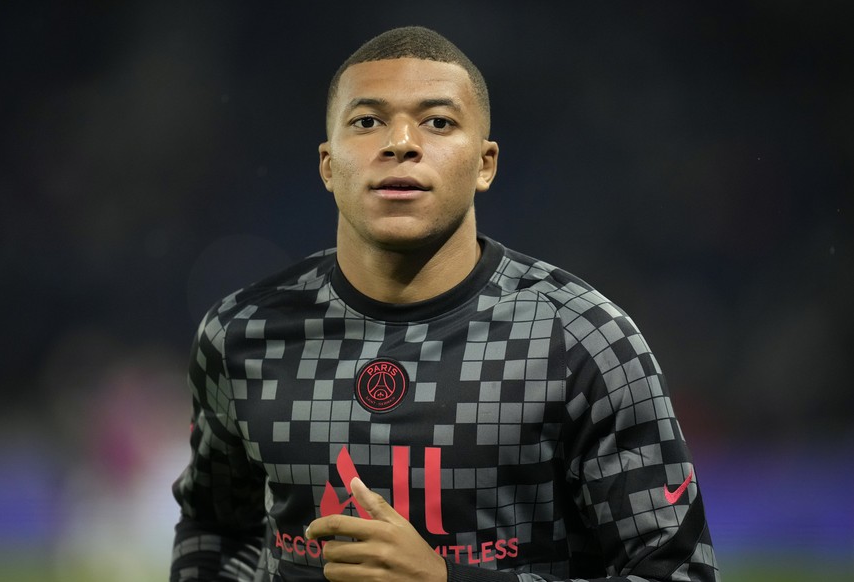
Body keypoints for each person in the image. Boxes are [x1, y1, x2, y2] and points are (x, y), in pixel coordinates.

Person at [170, 26, 720, 582]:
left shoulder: (580, 340)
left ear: (485, 164)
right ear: (328, 165)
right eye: (367, 121)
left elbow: (676, 573)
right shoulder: (241, 334)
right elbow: (215, 530)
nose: (401, 142)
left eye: (438, 122)